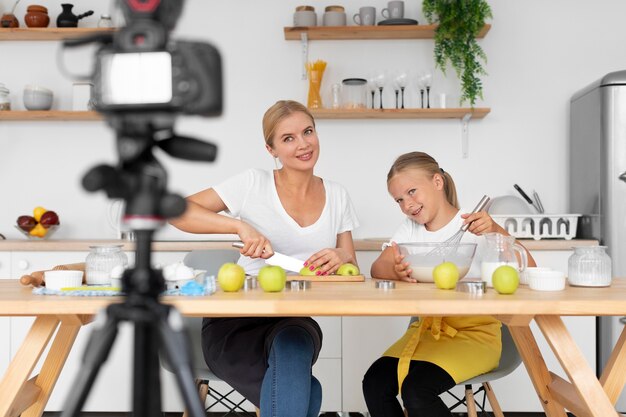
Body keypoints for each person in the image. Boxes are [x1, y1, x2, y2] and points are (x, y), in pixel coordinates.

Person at [170, 100, 359, 417]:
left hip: (295, 318)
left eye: (307, 132)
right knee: (306, 395)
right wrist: (239, 226)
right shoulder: (251, 184)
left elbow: (353, 268)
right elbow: (178, 211)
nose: (303, 144)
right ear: (271, 149)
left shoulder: (337, 195)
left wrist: (341, 256)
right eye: (288, 138)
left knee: (295, 345)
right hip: (235, 323)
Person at [362, 151, 536, 417]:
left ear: (437, 182)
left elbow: (530, 268)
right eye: (399, 199)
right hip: (425, 332)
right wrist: (395, 270)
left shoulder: (474, 227)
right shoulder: (410, 230)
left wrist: (496, 231)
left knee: (416, 391)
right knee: (374, 384)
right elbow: (377, 268)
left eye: (411, 192)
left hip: (476, 337)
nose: (407, 204)